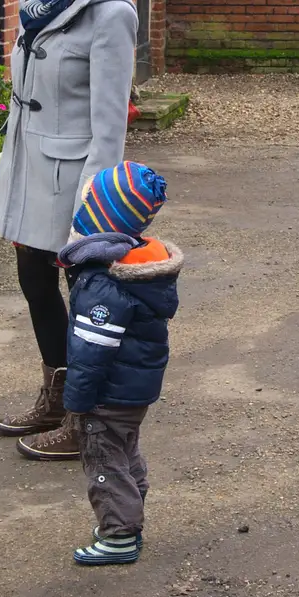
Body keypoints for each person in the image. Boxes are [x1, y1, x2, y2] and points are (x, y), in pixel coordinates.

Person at [0, 0, 138, 460]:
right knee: (32, 279)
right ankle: (56, 394)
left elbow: (109, 123)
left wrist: (94, 203)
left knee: (85, 295)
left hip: (72, 175)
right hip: (29, 160)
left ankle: (85, 417)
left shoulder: (111, 15)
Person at [57, 161, 180, 566]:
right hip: (131, 392)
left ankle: (119, 534)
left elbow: (93, 351)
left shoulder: (104, 283)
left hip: (108, 394)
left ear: (100, 218)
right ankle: (129, 509)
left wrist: (75, 401)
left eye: (89, 203)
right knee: (125, 452)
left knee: (104, 462)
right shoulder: (134, 268)